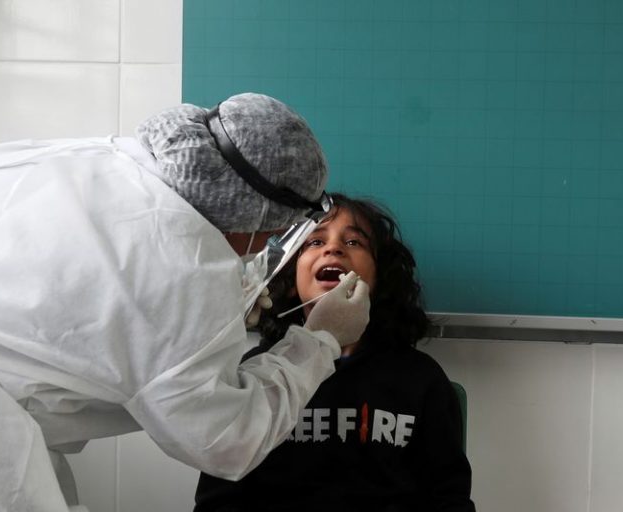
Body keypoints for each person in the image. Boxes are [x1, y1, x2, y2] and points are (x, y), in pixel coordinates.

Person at [0, 93, 370, 512]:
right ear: (251, 215)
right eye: (279, 233)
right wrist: (319, 341)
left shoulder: (113, 160)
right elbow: (224, 441)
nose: (261, 247)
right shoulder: (184, 272)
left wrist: (215, 314)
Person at [194, 193, 476, 512]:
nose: (333, 248)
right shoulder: (258, 371)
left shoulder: (420, 378)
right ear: (289, 279)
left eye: (355, 242)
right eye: (314, 242)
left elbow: (448, 498)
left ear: (380, 277)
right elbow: (217, 500)